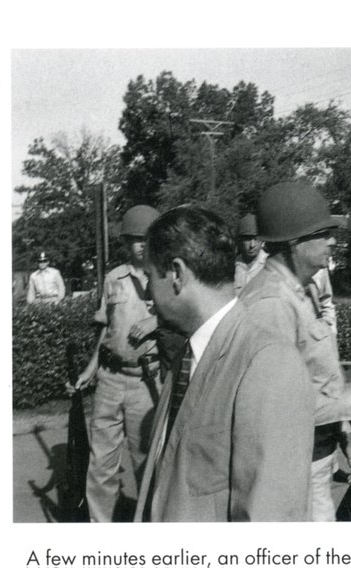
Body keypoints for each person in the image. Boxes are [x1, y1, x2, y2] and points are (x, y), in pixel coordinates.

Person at [239, 180, 351, 521]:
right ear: (294, 242)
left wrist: (345, 434)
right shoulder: (271, 304)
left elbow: (316, 379)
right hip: (290, 471)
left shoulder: (300, 291)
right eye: (323, 233)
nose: (333, 240)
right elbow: (281, 410)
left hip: (316, 457)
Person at [133, 205, 314, 521]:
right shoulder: (188, 356)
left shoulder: (267, 362)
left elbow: (270, 525)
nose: (148, 292)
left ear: (176, 274)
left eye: (150, 276)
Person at [69, 205, 162, 522]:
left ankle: (153, 529)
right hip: (109, 379)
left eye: (145, 239)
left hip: (145, 381)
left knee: (146, 460)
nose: (140, 245)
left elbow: (185, 319)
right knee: (101, 462)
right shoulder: (114, 279)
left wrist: (155, 321)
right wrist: (90, 368)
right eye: (134, 239)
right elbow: (106, 328)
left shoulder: (166, 276)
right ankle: (101, 532)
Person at [233, 213, 268, 296]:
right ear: (239, 241)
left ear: (263, 241)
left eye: (256, 239)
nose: (252, 245)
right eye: (247, 239)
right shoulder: (232, 266)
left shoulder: (269, 264)